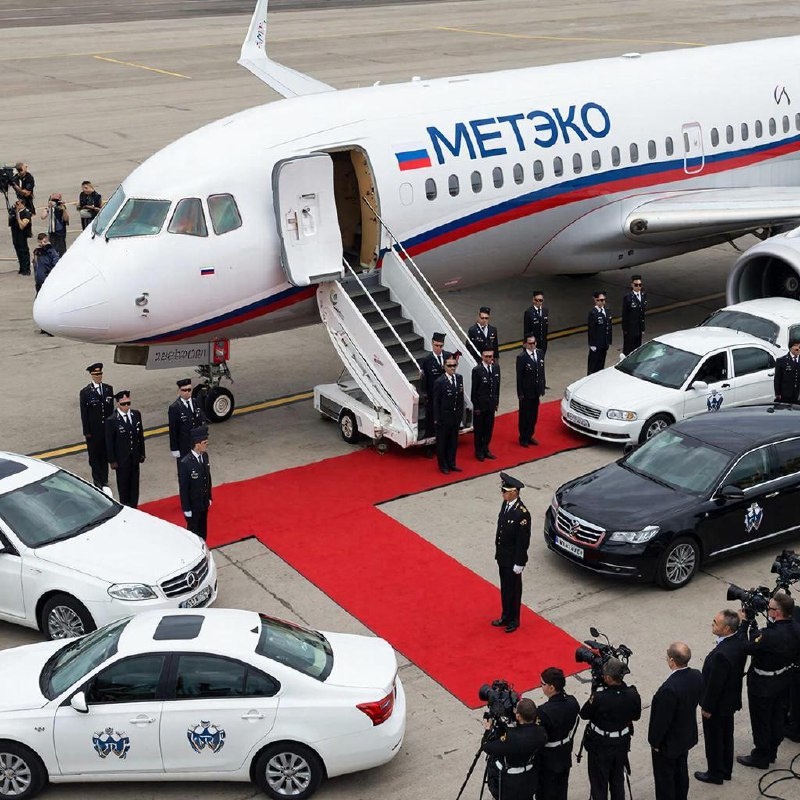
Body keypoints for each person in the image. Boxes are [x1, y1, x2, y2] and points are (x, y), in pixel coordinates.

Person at [737, 591, 800, 769]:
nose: (767, 610)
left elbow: (745, 647)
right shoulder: (796, 629)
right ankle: (772, 751)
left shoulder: (768, 636)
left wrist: (744, 624)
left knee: (761, 720)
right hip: (784, 680)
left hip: (762, 685)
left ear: (776, 613)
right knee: (777, 718)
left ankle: (761, 756)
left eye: (769, 608)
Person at [695, 609, 747, 785]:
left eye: (716, 623)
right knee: (726, 736)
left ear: (726, 629)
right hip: (730, 702)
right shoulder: (739, 641)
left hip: (717, 706)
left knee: (714, 740)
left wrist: (707, 707)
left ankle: (715, 773)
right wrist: (744, 621)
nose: (712, 624)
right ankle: (726, 770)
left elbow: (715, 685)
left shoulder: (721, 655)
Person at [580, 658, 642, 800]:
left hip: (601, 746)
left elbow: (584, 714)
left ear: (608, 678)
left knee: (599, 785)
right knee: (617, 781)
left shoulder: (599, 697)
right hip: (621, 744)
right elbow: (636, 716)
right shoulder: (632, 694)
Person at [648, 642, 704, 800]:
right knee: (681, 773)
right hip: (685, 735)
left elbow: (661, 721)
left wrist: (655, 742)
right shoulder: (696, 675)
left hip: (668, 744)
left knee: (665, 781)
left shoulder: (669, 689)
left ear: (672, 661)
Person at [482, 697, 547, 800]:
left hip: (510, 785)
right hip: (529, 780)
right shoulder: (541, 732)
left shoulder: (511, 737)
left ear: (518, 716)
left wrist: (488, 730)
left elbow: (487, 747)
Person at [492, 472, 531, 633]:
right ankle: (505, 615)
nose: (503, 493)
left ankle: (514, 620)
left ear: (514, 492)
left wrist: (519, 562)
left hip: (513, 560)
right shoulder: (506, 504)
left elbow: (523, 541)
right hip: (503, 556)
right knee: (505, 588)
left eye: (505, 491)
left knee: (514, 591)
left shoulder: (522, 513)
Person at [536, 667, 580, 800]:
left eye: (543, 684)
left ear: (551, 688)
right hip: (564, 753)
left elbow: (537, 736)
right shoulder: (572, 702)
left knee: (545, 793)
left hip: (548, 759)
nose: (541, 686)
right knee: (562, 790)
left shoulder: (544, 711)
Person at [105, 390, 145, 508]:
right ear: (118, 404)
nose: (126, 406)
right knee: (124, 486)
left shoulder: (136, 415)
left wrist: (142, 453)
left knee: (135, 485)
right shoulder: (112, 420)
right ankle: (126, 507)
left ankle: (134, 506)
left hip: (134, 457)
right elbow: (109, 442)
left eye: (128, 403)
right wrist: (112, 460)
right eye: (123, 404)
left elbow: (140, 436)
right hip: (122, 459)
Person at [79, 362, 115, 489]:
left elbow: (111, 411)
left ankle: (104, 479)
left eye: (100, 374)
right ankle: (97, 480)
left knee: (105, 455)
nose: (98, 376)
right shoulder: (85, 392)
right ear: (92, 375)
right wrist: (87, 432)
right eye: (96, 374)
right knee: (94, 457)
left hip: (106, 430)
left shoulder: (108, 389)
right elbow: (84, 414)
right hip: (94, 431)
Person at [418, 332, 451, 454]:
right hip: (432, 396)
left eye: (441, 346)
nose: (438, 348)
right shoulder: (426, 360)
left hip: (445, 395)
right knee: (431, 422)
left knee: (445, 421)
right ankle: (429, 447)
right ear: (432, 343)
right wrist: (425, 394)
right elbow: (423, 380)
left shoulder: (448, 356)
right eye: (436, 345)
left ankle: (443, 444)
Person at [179, 426, 213, 541]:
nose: (207, 444)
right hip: (193, 505)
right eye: (204, 443)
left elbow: (208, 478)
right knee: (193, 533)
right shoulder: (186, 463)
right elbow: (184, 489)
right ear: (197, 444)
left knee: (203, 530)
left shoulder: (205, 456)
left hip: (204, 502)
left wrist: (209, 497)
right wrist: (186, 509)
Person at [168, 378, 207, 475]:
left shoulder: (196, 402)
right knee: (185, 473)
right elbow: (173, 430)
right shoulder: (174, 408)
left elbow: (201, 421)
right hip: (184, 446)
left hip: (197, 445)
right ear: (179, 391)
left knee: (199, 470)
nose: (187, 392)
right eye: (184, 390)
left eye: (189, 390)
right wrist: (174, 448)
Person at [432, 356, 464, 474]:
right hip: (444, 417)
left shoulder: (459, 378)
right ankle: (443, 465)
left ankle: (452, 463)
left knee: (453, 441)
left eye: (454, 365)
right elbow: (436, 402)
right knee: (442, 442)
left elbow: (460, 398)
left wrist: (460, 414)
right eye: (449, 366)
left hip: (455, 416)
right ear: (444, 367)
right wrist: (437, 419)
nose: (452, 368)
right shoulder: (440, 382)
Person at [471, 346, 500, 461]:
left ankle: (486, 448)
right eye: (486, 356)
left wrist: (496, 402)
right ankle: (478, 451)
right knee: (479, 430)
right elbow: (474, 391)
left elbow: (497, 387)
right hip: (481, 405)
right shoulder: (477, 370)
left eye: (491, 356)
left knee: (489, 428)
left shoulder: (496, 368)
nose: (489, 359)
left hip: (491, 404)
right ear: (482, 356)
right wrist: (476, 407)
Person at [516, 334, 545, 447]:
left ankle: (529, 435)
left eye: (534, 343)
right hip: (526, 392)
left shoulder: (540, 353)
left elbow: (541, 371)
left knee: (533, 416)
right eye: (530, 343)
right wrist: (520, 393)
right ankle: (523, 437)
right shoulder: (522, 358)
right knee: (525, 416)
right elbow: (519, 377)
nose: (532, 345)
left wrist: (542, 386)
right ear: (525, 344)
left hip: (536, 391)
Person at [587, 291, 613, 374]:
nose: (602, 302)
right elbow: (591, 329)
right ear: (595, 300)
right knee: (593, 367)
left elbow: (608, 327)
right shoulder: (593, 313)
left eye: (603, 300)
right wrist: (592, 344)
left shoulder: (607, 311)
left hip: (604, 344)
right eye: (600, 300)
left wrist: (608, 341)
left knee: (601, 366)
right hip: (596, 345)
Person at [621, 275, 647, 355]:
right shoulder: (628, 297)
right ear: (632, 285)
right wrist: (625, 329)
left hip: (639, 328)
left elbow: (642, 313)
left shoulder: (643, 295)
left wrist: (642, 328)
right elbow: (625, 314)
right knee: (629, 350)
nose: (638, 287)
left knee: (637, 349)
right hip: (630, 329)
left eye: (640, 285)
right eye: (636, 285)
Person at [9, 198, 32, 275]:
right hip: (15, 234)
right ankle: (22, 267)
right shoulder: (14, 211)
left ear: (23, 204)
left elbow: (22, 226)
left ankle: (26, 269)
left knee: (23, 251)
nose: (17, 205)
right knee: (18, 251)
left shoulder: (26, 213)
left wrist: (17, 215)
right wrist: (13, 211)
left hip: (22, 235)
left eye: (18, 204)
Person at [773, 339, 800, 404]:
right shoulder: (781, 361)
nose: (798, 349)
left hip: (798, 394)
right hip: (786, 394)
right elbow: (777, 379)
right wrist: (777, 393)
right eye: (796, 346)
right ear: (790, 348)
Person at [523, 290, 549, 354]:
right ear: (533, 300)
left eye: (540, 300)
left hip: (543, 343)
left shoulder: (545, 311)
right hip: (533, 344)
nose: (538, 302)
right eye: (536, 300)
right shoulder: (529, 312)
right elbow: (526, 330)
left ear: (543, 300)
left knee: (541, 359)